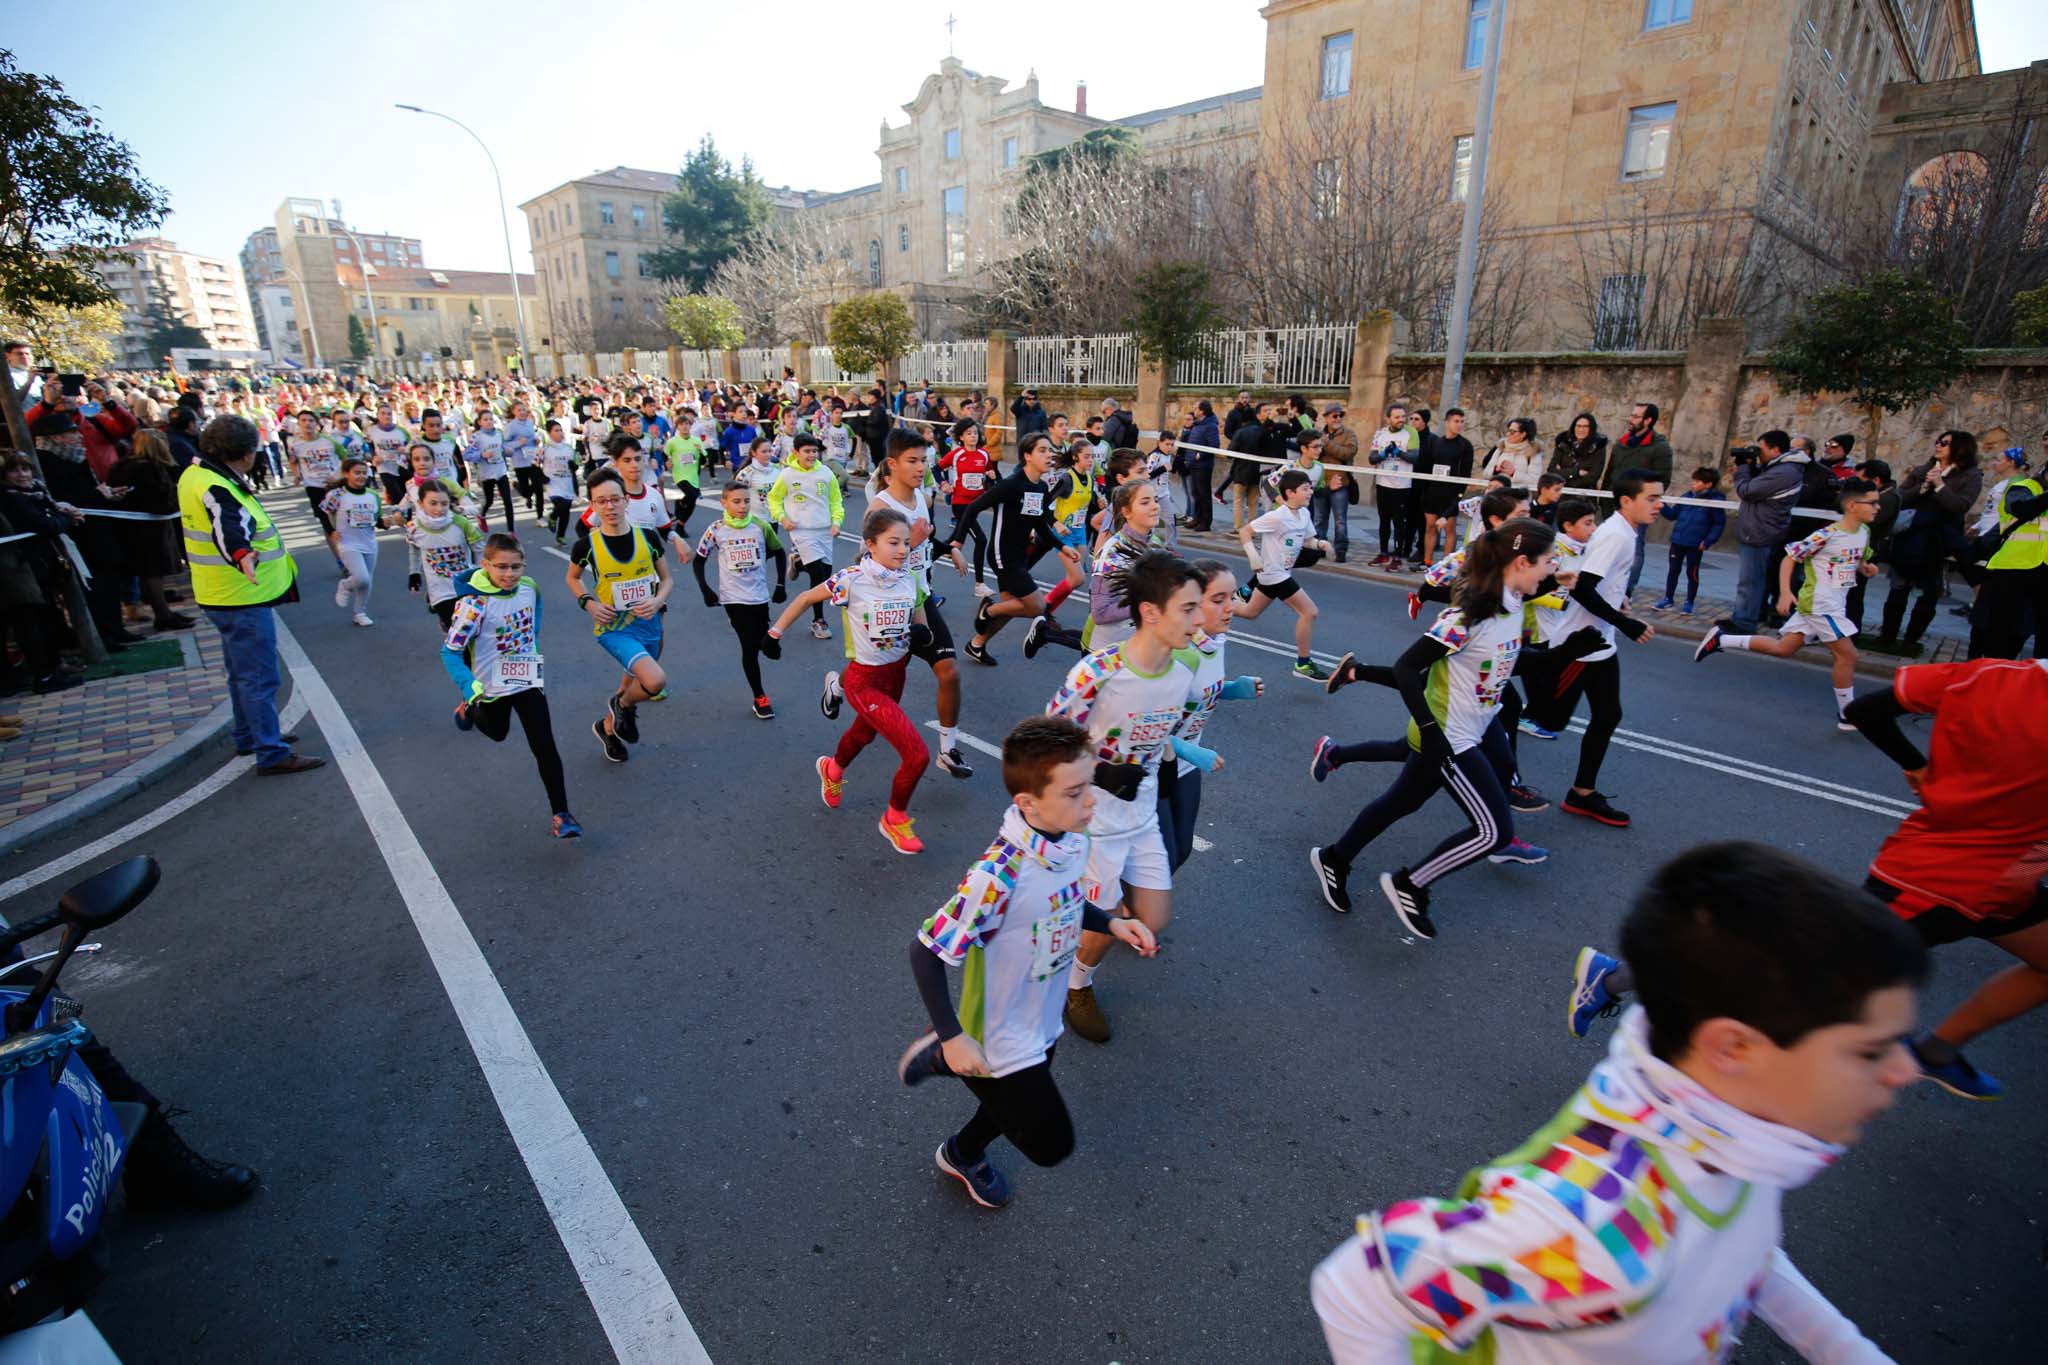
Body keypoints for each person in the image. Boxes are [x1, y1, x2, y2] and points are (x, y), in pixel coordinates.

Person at [1315, 842, 1923, 1363]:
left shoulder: (1739, 1138)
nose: (1906, 1071)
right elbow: (1356, 1287)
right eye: (1870, 1051)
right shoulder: (1593, 1226)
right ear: (1732, 1047)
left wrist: (1846, 1349)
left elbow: (1742, 1248)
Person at [895, 715, 1158, 1209]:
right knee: (1050, 1144)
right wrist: (952, 1039)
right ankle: (941, 1058)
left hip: (1041, 1017)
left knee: (1011, 1108)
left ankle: (962, 1153)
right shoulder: (996, 878)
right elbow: (924, 951)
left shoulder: (1070, 840)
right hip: (995, 1033)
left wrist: (1112, 924)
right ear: (1028, 802)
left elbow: (1067, 900)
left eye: (1090, 785)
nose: (1091, 800)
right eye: (1076, 791)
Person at [1308, 519, 1557, 933]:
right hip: (1450, 736)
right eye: (1547, 562)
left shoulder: (1514, 603)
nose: (1550, 571)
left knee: (1399, 802)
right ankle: (1411, 885)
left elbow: (1506, 663)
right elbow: (1407, 669)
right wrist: (1432, 731)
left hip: (1467, 731)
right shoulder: (1469, 615)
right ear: (1520, 562)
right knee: (1494, 830)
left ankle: (1334, 858)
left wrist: (1564, 655)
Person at [1045, 551, 1202, 1044]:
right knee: (1107, 918)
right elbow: (1045, 739)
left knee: (1154, 919)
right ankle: (1076, 985)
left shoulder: (1181, 674)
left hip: (1142, 816)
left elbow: (1158, 742)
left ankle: (1084, 927)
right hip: (1093, 823)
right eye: (1189, 609)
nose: (1198, 620)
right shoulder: (1098, 672)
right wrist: (1099, 771)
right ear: (1151, 612)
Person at [774, 506, 929, 854]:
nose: (903, 550)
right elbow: (805, 597)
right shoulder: (852, 579)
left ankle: (832, 768)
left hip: (896, 675)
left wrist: (922, 634)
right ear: (871, 545)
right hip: (864, 681)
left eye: (906, 543)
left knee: (864, 733)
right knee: (917, 755)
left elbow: (922, 626)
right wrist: (775, 632)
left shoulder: (910, 578)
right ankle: (894, 818)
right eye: (893, 543)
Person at [176, 415, 322, 774]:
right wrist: (241, 556)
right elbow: (229, 527)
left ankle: (249, 735)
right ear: (244, 455)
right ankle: (270, 752)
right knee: (259, 676)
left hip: (223, 594)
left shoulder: (197, 473)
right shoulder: (216, 486)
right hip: (239, 594)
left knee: (240, 672)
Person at [1523, 471, 1663, 827]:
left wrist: (1620, 598)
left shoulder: (1622, 532)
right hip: (1579, 645)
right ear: (1627, 501)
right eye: (1651, 498)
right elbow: (1584, 589)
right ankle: (1491, 700)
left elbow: (1596, 580)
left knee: (1608, 714)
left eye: (1660, 497)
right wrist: (1626, 623)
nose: (1659, 505)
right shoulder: (1616, 536)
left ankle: (1581, 793)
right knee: (1547, 718)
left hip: (1599, 643)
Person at [442, 534, 580, 839]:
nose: (509, 574)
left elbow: (535, 618)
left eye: (515, 566)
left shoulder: (529, 587)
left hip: (526, 677)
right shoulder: (474, 604)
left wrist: (528, 649)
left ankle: (562, 814)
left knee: (544, 745)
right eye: (501, 567)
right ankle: (469, 711)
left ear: (524, 565)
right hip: (489, 687)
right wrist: (470, 690)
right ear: (485, 564)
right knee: (497, 733)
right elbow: (449, 652)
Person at [860, 430, 972, 779]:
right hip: (890, 607)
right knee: (875, 683)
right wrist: (912, 542)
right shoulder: (880, 508)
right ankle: (839, 684)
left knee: (949, 672)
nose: (921, 467)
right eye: (912, 461)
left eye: (923, 460)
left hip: (920, 596)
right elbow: (864, 560)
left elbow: (924, 539)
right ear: (891, 464)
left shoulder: (922, 497)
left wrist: (948, 548)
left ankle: (947, 749)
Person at [1158, 560, 1261, 871]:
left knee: (1182, 850)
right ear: (1191, 603)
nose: (1231, 607)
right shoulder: (1176, 654)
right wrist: (1187, 748)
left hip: (1186, 767)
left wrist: (1233, 689)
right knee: (1161, 861)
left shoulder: (1215, 640)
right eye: (1219, 600)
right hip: (1152, 767)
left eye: (1232, 597)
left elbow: (1198, 694)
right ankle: (1119, 915)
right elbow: (1142, 723)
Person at [568, 467, 676, 760]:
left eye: (615, 499)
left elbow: (666, 579)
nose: (609, 506)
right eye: (601, 501)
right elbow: (573, 578)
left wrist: (657, 601)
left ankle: (607, 728)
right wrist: (588, 603)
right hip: (614, 629)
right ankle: (624, 706)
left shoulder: (648, 538)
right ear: (592, 505)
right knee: (654, 682)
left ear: (626, 500)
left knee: (633, 681)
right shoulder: (586, 545)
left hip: (650, 625)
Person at [945, 432, 1077, 667]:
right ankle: (989, 610)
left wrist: (1062, 546)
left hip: (1018, 553)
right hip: (1002, 554)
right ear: (1027, 456)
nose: (1049, 455)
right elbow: (973, 508)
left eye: (1050, 451)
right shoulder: (1011, 484)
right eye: (1042, 450)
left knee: (1012, 606)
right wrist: (958, 541)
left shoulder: (1041, 487)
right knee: (1036, 606)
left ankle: (976, 644)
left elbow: (1039, 523)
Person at [1875, 430, 1981, 651]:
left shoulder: (1970, 475)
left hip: (1938, 540)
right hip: (1911, 535)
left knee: (1929, 593)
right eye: (1938, 441)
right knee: (1898, 588)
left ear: (1960, 448)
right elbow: (1900, 497)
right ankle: (1887, 635)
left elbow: (1960, 506)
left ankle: (1911, 640)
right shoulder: (1923, 470)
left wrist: (1940, 486)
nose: (1938, 445)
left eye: (1945, 443)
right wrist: (1921, 488)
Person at [692, 479, 787, 720]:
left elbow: (779, 552)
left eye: (746, 500)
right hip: (733, 598)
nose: (742, 506)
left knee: (762, 643)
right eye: (736, 501)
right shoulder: (716, 529)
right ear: (724, 503)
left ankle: (767, 645)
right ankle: (760, 696)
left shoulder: (760, 526)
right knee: (749, 645)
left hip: (759, 596)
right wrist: (706, 590)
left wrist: (780, 585)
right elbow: (699, 560)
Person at [1234, 469, 1332, 681]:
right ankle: (1303, 663)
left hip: (1279, 573)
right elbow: (1245, 531)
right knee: (1309, 612)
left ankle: (1213, 606)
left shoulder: (1304, 514)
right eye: (1305, 489)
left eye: (1310, 488)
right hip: (1274, 575)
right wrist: (1253, 557)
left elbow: (1306, 540)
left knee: (1249, 612)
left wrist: (1318, 544)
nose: (1310, 493)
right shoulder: (1276, 517)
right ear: (1290, 492)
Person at [107, 428, 196, 631]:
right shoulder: (148, 468)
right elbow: (160, 500)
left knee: (150, 573)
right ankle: (163, 615)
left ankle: (163, 612)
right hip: (148, 528)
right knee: (152, 572)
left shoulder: (123, 466)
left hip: (134, 527)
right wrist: (175, 497)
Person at [1965, 448, 2046, 660]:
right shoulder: (2024, 487)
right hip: (2011, 570)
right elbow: (2020, 509)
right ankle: (1985, 672)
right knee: (1997, 633)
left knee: (2030, 634)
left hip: (2042, 572)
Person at [1727, 430, 1807, 635]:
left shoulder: (1785, 472)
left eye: (1760, 449)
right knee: (1750, 580)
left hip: (1760, 531)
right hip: (1759, 529)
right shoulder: (1778, 468)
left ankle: (1743, 623)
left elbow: (1747, 491)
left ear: (1775, 449)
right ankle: (1741, 617)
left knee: (1750, 581)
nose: (1758, 453)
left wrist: (1744, 468)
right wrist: (1750, 466)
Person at [768, 433, 844, 641]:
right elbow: (773, 499)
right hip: (801, 531)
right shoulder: (787, 475)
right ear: (796, 452)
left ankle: (798, 563)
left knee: (826, 578)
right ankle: (818, 620)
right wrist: (782, 518)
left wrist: (836, 522)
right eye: (807, 451)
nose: (811, 455)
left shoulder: (826, 473)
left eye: (814, 451)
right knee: (818, 575)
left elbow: (836, 501)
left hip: (824, 530)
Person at [318, 458, 388, 627]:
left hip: (369, 543)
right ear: (346, 474)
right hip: (348, 543)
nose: (361, 476)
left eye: (364, 473)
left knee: (367, 581)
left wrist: (387, 522)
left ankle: (360, 612)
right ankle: (345, 585)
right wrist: (331, 531)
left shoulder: (372, 495)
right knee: (361, 578)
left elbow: (376, 520)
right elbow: (323, 513)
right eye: (357, 473)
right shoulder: (337, 495)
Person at [405, 482, 482, 631]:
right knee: (455, 632)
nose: (439, 509)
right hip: (440, 591)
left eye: (444, 503)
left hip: (465, 586)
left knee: (472, 630)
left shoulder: (461, 524)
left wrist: (480, 575)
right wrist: (414, 573)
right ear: (421, 504)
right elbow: (414, 549)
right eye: (433, 503)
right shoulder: (414, 528)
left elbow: (479, 550)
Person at [1615, 402, 1673, 592]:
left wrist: (1645, 500)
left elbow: (1662, 480)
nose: (1631, 420)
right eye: (1632, 415)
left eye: (1636, 416)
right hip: (1616, 504)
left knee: (1635, 548)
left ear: (1648, 420)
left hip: (1638, 507)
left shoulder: (1660, 447)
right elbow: (1611, 471)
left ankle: (1627, 590)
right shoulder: (1622, 443)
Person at [1653, 466, 1727, 613]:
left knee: (1692, 573)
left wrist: (1708, 541)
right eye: (1694, 480)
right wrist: (1661, 504)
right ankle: (1668, 598)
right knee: (1673, 570)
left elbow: (1718, 524)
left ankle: (1689, 602)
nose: (1693, 483)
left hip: (1695, 544)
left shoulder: (1715, 501)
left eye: (1698, 481)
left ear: (1708, 484)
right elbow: (1672, 515)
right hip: (1678, 541)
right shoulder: (1687, 496)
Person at [1416, 407, 1473, 568]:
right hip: (1433, 491)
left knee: (1449, 529)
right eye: (1456, 421)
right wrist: (1425, 490)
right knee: (1430, 527)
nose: (1459, 424)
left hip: (1451, 493)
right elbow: (1426, 467)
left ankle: (1445, 564)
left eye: (1462, 422)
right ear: (1447, 422)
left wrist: (1459, 495)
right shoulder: (1435, 442)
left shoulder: (1465, 445)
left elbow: (1465, 473)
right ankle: (1427, 562)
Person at [1366, 403, 1414, 568]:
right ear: (1388, 419)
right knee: (1384, 520)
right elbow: (1371, 459)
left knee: (1399, 522)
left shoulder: (1410, 432)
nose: (1401, 420)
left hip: (1402, 485)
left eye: (1402, 416)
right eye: (1397, 417)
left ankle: (1398, 557)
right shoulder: (1381, 433)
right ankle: (1383, 553)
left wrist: (1398, 452)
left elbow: (1414, 457)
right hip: (1383, 483)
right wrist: (1384, 453)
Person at [465, 409, 515, 528]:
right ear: (480, 422)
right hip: (487, 473)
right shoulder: (476, 436)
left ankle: (511, 531)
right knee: (489, 500)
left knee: (508, 501)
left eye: (491, 419)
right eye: (485, 419)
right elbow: (466, 455)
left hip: (501, 470)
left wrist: (508, 451)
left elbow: (503, 449)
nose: (489, 421)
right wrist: (482, 455)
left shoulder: (498, 433)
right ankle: (481, 515)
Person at [1180, 400, 1220, 530]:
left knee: (1204, 494)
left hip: (1203, 465)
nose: (1194, 409)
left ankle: (1205, 522)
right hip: (1193, 464)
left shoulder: (1210, 425)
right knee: (1195, 493)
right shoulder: (1197, 424)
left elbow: (1214, 445)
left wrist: (1199, 455)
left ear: (1202, 411)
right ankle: (1196, 518)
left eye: (1196, 407)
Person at [1546, 411, 1610, 490]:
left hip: (1584, 496)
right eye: (1578, 426)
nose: (1581, 430)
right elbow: (1552, 471)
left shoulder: (1598, 447)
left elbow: (1592, 477)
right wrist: (1576, 472)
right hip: (1561, 494)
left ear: (1591, 429)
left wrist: (1563, 474)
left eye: (1585, 427)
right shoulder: (1563, 443)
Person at [1485, 417, 1545, 489]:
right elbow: (1485, 473)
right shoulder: (1501, 448)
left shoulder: (1533, 452)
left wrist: (1513, 472)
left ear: (1523, 434)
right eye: (1508, 431)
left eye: (1513, 431)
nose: (1508, 434)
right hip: (1497, 494)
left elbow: (1535, 480)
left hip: (1517, 496)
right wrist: (1496, 470)